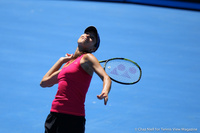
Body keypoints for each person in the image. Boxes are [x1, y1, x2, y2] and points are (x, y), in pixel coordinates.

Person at [40, 26, 112, 133]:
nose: (87, 36)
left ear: (93, 49)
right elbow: (44, 82)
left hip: (73, 118)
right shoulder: (68, 65)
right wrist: (61, 61)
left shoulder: (88, 57)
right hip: (54, 115)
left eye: (92, 37)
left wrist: (105, 91)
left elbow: (106, 77)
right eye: (86, 33)